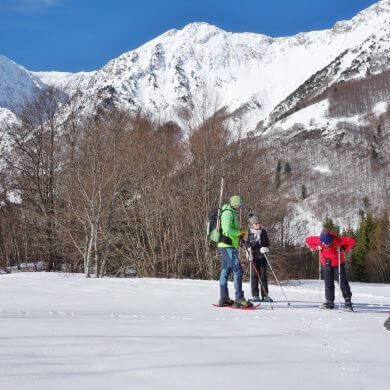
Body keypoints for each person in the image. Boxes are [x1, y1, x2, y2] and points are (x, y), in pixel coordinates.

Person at [306, 230, 355, 310]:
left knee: (343, 282)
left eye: (328, 244)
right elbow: (308, 240)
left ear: (331, 240)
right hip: (326, 263)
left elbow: (352, 241)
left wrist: (344, 248)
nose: (326, 245)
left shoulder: (338, 240)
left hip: (338, 263)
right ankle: (329, 302)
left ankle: (348, 301)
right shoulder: (319, 240)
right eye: (324, 244)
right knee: (328, 283)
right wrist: (316, 247)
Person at [218, 195, 252, 308]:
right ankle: (239, 299)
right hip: (227, 245)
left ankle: (223, 298)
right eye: (239, 204)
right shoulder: (228, 213)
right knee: (238, 270)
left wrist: (239, 234)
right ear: (234, 203)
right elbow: (227, 229)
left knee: (225, 271)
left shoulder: (231, 212)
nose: (240, 206)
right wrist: (239, 232)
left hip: (227, 245)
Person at [245, 214, 272, 302]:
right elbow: (246, 244)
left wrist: (266, 248)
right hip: (253, 257)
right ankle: (255, 295)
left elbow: (267, 243)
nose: (258, 225)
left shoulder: (263, 232)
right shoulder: (249, 232)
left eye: (259, 223)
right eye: (256, 223)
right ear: (252, 224)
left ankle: (265, 295)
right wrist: (248, 252)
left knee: (263, 276)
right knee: (254, 276)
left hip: (262, 256)